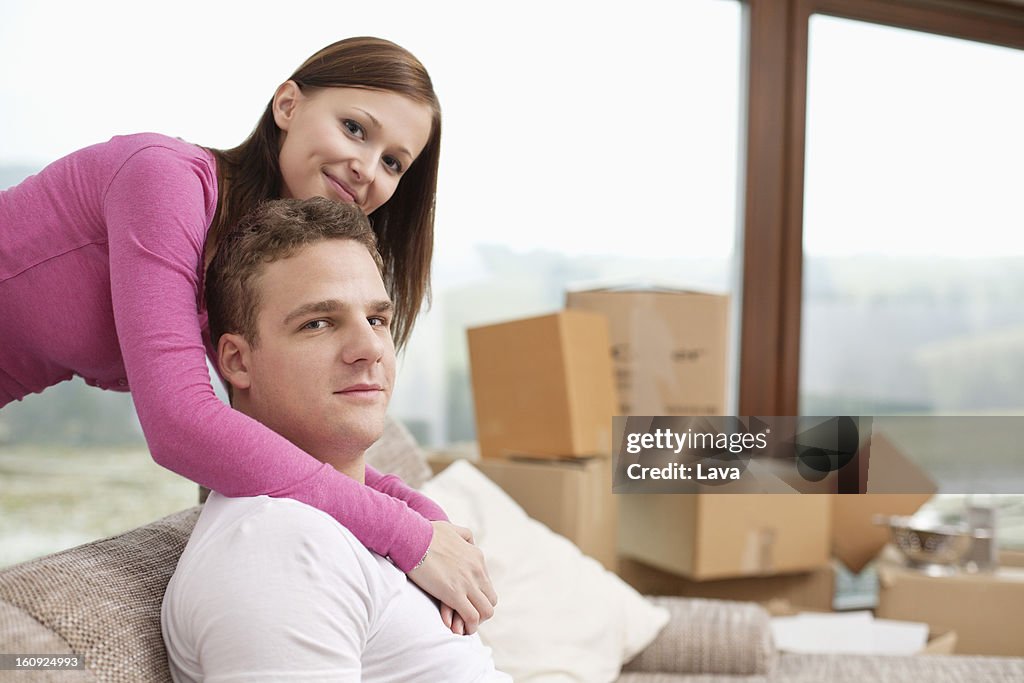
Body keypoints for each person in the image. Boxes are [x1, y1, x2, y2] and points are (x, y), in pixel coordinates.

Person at [0, 36, 495, 631]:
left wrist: (426, 516)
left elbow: (282, 444)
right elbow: (182, 425)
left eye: (394, 162)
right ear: (287, 105)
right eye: (355, 128)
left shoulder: (246, 272)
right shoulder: (163, 180)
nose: (367, 168)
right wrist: (407, 536)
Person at [162, 197, 509, 682]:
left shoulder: (355, 522)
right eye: (317, 323)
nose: (369, 349)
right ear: (238, 361)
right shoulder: (279, 545)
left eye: (376, 320)